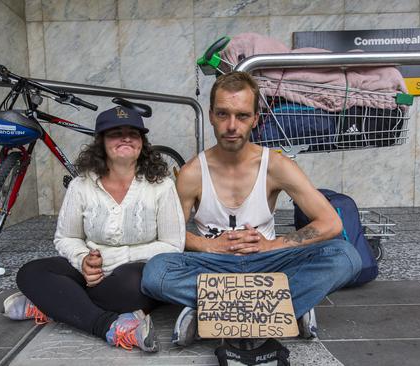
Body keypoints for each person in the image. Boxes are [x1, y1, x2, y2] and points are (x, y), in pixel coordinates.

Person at [141, 72, 361, 346]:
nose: (232, 125)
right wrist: (209, 246)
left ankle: (210, 312)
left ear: (255, 119)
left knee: (345, 256)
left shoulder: (276, 166)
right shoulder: (192, 173)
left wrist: (273, 245)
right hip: (214, 265)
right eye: (223, 114)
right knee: (155, 273)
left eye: (242, 116)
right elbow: (168, 233)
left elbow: (330, 222)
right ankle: (286, 310)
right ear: (211, 116)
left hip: (268, 263)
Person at [3, 105, 185, 353]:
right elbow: (67, 237)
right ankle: (109, 325)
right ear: (101, 142)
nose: (125, 138)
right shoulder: (82, 185)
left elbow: (173, 245)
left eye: (133, 133)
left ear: (142, 142)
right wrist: (82, 260)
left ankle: (53, 304)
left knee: (130, 288)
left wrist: (119, 257)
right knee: (30, 272)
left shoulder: (161, 186)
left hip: (134, 272)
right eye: (115, 133)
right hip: (91, 273)